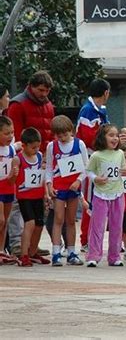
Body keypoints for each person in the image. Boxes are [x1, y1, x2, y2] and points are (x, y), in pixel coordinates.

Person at [7, 71, 55, 258]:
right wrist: (20, 157)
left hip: (40, 159)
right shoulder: (18, 105)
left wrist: (47, 156)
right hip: (23, 158)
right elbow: (15, 134)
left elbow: (49, 132)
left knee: (39, 204)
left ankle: (32, 246)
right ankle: (18, 244)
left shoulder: (48, 105)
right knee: (19, 204)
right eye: (41, 90)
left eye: (47, 91)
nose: (44, 94)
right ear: (31, 86)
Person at [45, 116, 88, 267]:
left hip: (73, 187)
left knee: (71, 220)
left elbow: (86, 167)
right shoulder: (52, 146)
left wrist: (78, 181)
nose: (62, 138)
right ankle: (56, 252)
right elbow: (49, 168)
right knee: (58, 219)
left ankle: (71, 252)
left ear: (71, 131)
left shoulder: (79, 144)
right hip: (59, 188)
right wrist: (49, 185)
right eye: (59, 135)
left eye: (65, 134)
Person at [86, 124, 126, 267]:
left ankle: (114, 256)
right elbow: (89, 171)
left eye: (116, 135)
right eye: (111, 135)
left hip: (117, 194)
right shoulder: (96, 155)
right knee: (97, 226)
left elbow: (123, 169)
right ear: (102, 137)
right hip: (100, 195)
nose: (115, 138)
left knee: (117, 226)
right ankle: (93, 255)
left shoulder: (120, 154)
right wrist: (95, 178)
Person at [76, 78, 111, 252]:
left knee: (100, 201)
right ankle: (86, 240)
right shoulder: (88, 111)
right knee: (90, 202)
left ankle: (93, 238)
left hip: (100, 160)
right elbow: (90, 138)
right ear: (105, 93)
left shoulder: (100, 111)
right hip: (91, 161)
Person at [14, 128, 49, 267]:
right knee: (30, 223)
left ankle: (33, 252)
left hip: (38, 195)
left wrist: (46, 194)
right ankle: (23, 255)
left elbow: (42, 176)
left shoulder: (40, 156)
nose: (36, 149)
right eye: (33, 147)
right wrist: (13, 174)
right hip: (24, 196)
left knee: (40, 224)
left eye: (38, 146)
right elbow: (12, 180)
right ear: (24, 145)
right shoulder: (19, 158)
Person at [0, 116, 19, 264]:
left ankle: (1, 250)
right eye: (6, 133)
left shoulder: (11, 150)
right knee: (0, 219)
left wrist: (13, 175)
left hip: (8, 189)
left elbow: (12, 178)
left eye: (12, 133)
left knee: (5, 221)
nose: (10, 136)